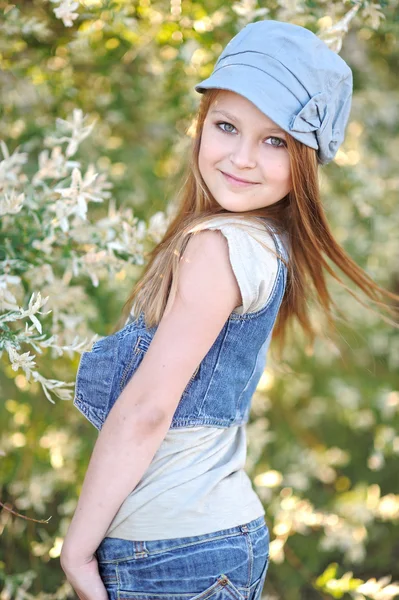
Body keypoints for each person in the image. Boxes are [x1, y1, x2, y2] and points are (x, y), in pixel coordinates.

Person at [60, 19, 398, 600]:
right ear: (201, 125)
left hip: (169, 551)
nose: (242, 158)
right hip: (207, 541)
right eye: (226, 126)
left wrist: (76, 549)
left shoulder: (218, 248)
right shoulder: (263, 242)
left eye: (275, 141)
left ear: (306, 162)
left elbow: (147, 410)